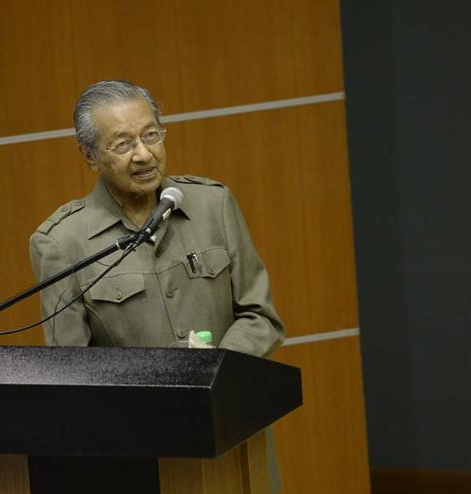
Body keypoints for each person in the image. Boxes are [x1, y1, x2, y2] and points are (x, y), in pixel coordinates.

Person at [29, 80, 284, 356]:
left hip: (225, 392)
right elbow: (72, 368)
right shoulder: (62, 243)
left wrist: (214, 374)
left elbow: (260, 317)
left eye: (150, 135)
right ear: (90, 155)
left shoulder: (213, 204)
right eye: (123, 144)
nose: (144, 154)